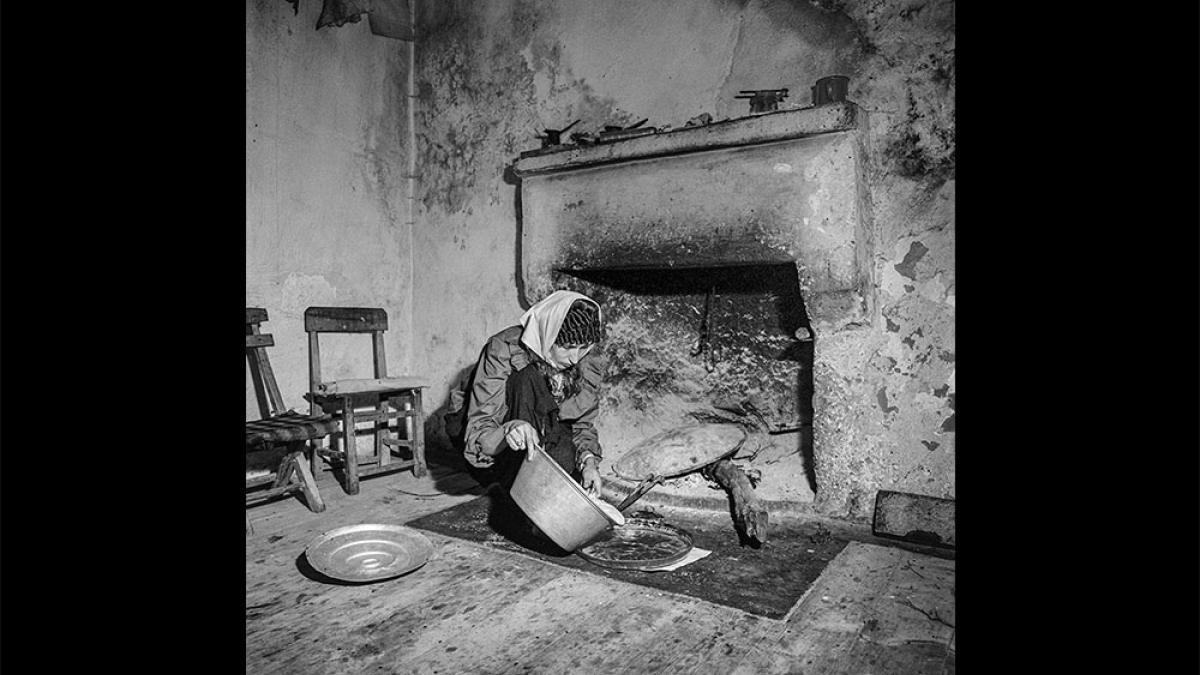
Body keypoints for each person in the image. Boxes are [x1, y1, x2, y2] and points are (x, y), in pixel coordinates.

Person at [445, 290, 606, 496]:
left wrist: (588, 462)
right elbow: (480, 434)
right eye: (567, 347)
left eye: (583, 347)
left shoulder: (585, 361)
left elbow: (580, 425)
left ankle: (528, 486)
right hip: (488, 438)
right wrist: (511, 428)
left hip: (538, 430)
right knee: (527, 377)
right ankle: (516, 485)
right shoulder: (504, 349)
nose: (574, 358)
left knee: (565, 460)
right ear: (547, 335)